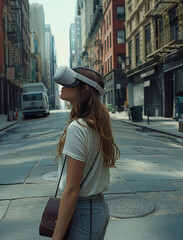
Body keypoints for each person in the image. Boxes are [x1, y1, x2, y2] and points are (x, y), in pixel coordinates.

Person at [52, 66, 120, 240]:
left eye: (68, 83)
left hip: (84, 213)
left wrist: (56, 238)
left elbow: (72, 189)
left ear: (84, 89)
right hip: (95, 209)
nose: (62, 86)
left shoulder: (78, 127)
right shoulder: (96, 124)